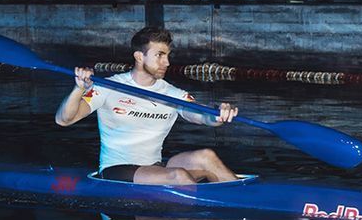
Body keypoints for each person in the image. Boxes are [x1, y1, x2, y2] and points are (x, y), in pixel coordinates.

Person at [54, 26, 238, 183]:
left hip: (155, 168)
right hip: (116, 170)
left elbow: (202, 116)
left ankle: (246, 198)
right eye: (159, 55)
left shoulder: (173, 94)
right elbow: (64, 120)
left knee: (206, 157)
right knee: (179, 176)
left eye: (167, 55)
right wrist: (79, 89)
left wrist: (218, 115)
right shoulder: (108, 87)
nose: (167, 62)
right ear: (139, 57)